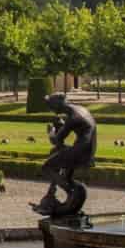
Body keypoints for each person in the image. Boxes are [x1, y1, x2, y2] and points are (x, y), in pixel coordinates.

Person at [32, 92, 97, 220]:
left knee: (47, 167)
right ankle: (63, 195)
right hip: (86, 150)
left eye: (50, 105)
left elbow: (56, 140)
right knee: (57, 155)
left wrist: (51, 132)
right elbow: (74, 131)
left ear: (58, 105)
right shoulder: (80, 110)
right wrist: (61, 127)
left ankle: (70, 192)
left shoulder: (73, 117)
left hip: (80, 151)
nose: (50, 108)